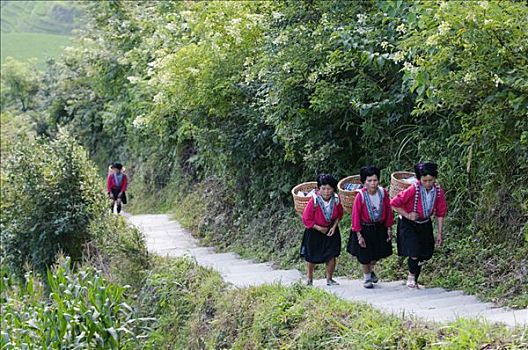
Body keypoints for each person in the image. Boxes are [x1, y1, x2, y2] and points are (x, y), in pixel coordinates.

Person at [390, 162, 447, 288]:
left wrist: (439, 233)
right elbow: (394, 203)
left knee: (426, 253)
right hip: (409, 224)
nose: (427, 183)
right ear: (419, 179)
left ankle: (415, 278)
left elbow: (440, 212)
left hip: (425, 223)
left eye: (430, 180)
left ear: (435, 178)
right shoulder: (413, 189)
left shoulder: (438, 192)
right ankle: (411, 275)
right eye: (424, 180)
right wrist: (408, 214)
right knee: (414, 250)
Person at [347, 166, 393, 288]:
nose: (373, 183)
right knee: (365, 255)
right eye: (369, 181)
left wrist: (389, 228)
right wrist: (358, 234)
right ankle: (367, 278)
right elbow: (355, 215)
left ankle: (371, 270)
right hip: (364, 228)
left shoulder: (383, 193)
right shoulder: (360, 196)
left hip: (379, 227)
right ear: (364, 182)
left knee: (376, 254)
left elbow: (388, 210)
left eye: (375, 180)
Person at [300, 174, 344, 286]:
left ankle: (329, 279)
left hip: (330, 231)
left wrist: (334, 228)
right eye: (323, 189)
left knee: (331, 254)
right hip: (314, 231)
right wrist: (319, 228)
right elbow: (306, 219)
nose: (326, 191)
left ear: (333, 189)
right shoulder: (314, 201)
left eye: (329, 188)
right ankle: (309, 279)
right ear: (318, 189)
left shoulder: (336, 200)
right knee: (311, 257)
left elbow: (339, 215)